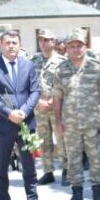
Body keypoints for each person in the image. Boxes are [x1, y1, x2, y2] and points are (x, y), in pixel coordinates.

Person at [0, 29, 47, 200]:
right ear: (1, 45)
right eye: (7, 43)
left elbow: (35, 91)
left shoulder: (28, 65)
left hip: (26, 122)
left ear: (20, 45)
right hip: (4, 124)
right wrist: (9, 113)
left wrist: (25, 111)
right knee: (1, 166)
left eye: (14, 43)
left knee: (29, 164)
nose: (11, 46)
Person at [53, 29, 100, 200]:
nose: (76, 49)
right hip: (70, 124)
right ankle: (76, 196)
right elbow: (57, 98)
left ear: (85, 47)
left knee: (95, 159)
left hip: (93, 123)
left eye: (79, 46)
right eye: (72, 46)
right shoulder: (61, 70)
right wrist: (58, 122)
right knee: (73, 160)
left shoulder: (96, 67)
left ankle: (96, 195)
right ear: (67, 49)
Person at [31, 28, 68, 186]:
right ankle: (48, 172)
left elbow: (66, 85)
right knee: (43, 140)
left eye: (47, 40)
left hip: (57, 107)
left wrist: (52, 102)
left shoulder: (62, 62)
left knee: (61, 139)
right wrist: (38, 101)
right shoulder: (34, 60)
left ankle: (67, 171)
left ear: (54, 42)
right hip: (39, 107)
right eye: (41, 40)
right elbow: (29, 83)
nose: (43, 43)